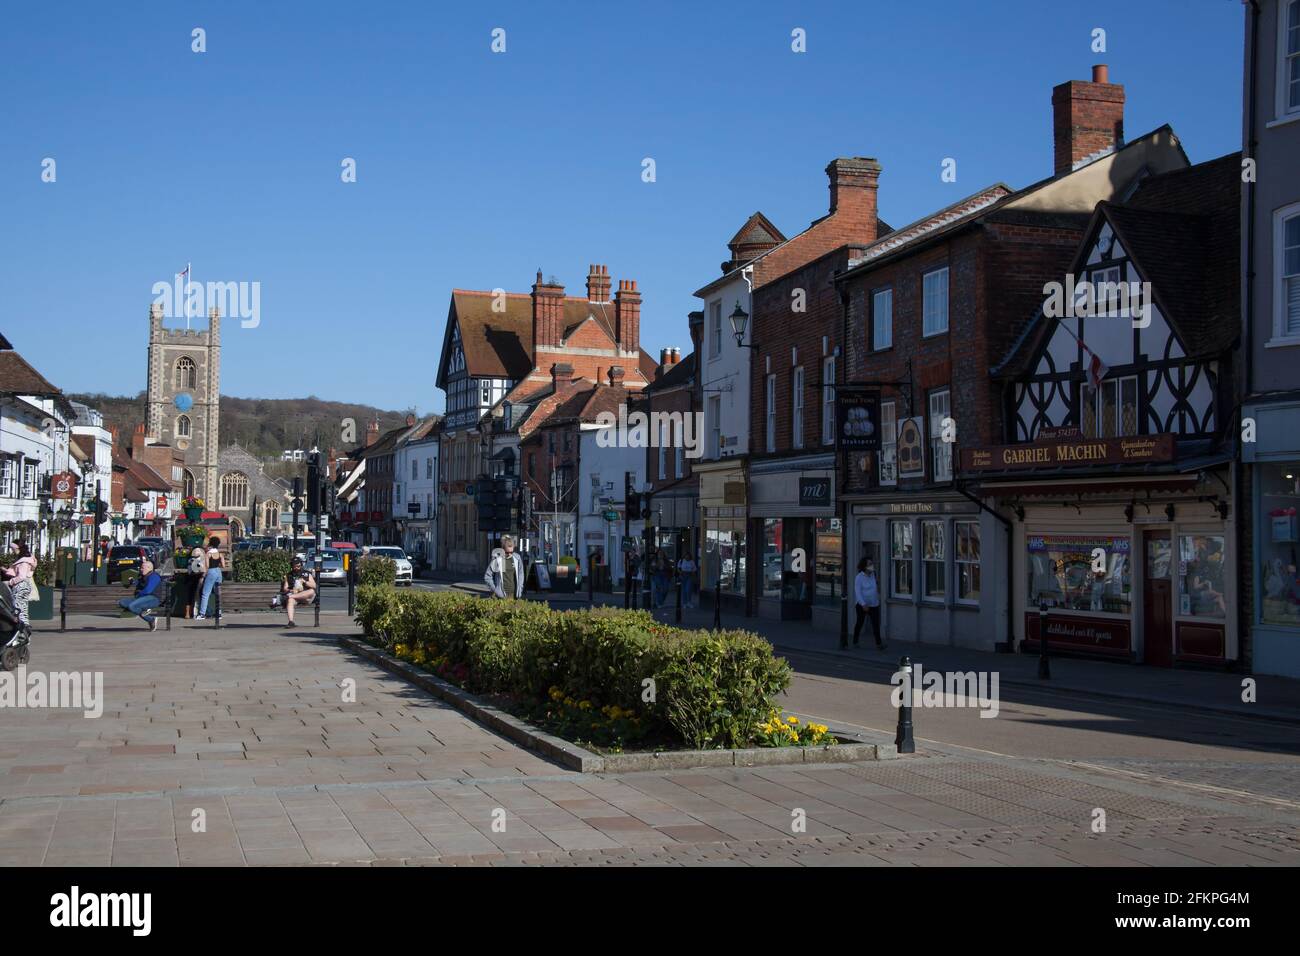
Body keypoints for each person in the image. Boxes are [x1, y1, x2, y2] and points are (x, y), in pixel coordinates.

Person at [848, 556, 884, 650]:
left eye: (872, 564)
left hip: (874, 604)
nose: (871, 566)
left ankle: (879, 644)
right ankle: (855, 641)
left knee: (876, 624)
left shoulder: (873, 575)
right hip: (862, 605)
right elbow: (858, 592)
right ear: (864, 567)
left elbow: (875, 587)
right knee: (860, 623)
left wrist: (877, 597)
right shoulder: (859, 577)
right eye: (869, 564)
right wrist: (863, 604)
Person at [118, 559, 163, 631]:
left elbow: (148, 590)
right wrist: (132, 582)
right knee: (122, 602)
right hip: (142, 599)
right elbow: (138, 584)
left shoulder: (154, 576)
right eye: (141, 568)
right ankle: (144, 610)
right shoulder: (143, 577)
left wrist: (139, 594)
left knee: (132, 606)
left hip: (153, 599)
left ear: (149, 568)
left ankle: (151, 619)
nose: (141, 569)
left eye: (143, 568)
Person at [2, 541, 37, 633]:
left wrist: (10, 582)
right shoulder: (26, 560)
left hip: (20, 587)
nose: (12, 551)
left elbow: (21, 576)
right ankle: (25, 631)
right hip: (24, 586)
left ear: (18, 548)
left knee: (18, 610)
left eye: (13, 549)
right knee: (23, 610)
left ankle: (21, 632)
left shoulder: (24, 561)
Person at [483, 534, 525, 599]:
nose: (509, 554)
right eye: (507, 552)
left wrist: (520, 588)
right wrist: (495, 590)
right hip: (501, 595)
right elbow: (488, 576)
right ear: (503, 549)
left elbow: (521, 574)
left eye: (511, 552)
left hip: (514, 595)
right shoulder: (498, 559)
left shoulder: (517, 558)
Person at [280, 556, 317, 627]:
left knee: (312, 591)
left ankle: (290, 596)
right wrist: (291, 590)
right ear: (292, 566)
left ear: (301, 565)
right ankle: (291, 622)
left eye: (298, 566)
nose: (297, 567)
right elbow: (285, 588)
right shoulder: (289, 575)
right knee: (290, 600)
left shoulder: (306, 573)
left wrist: (305, 582)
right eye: (295, 566)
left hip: (307, 597)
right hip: (296, 597)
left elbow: (314, 586)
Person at [194, 536, 224, 620]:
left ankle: (202, 614)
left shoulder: (208, 554)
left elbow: (206, 566)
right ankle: (219, 613)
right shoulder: (220, 554)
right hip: (218, 572)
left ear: (210, 543)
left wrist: (203, 576)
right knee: (218, 593)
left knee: (205, 593)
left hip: (211, 571)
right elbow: (223, 565)